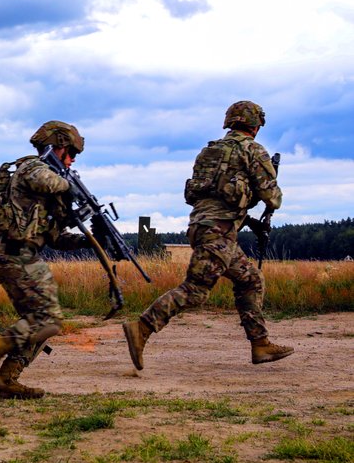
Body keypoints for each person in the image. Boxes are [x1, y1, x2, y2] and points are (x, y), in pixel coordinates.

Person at [123, 100, 293, 369]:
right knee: (196, 291)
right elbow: (272, 196)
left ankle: (260, 344)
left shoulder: (209, 152)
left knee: (250, 279)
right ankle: (142, 328)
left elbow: (207, 196)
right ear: (256, 125)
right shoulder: (253, 150)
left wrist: (248, 219)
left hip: (203, 227)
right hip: (219, 233)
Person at [0, 121, 93, 399]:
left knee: (44, 321)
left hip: (23, 254)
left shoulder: (46, 192)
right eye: (70, 153)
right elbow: (47, 180)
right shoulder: (33, 168)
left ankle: (6, 381)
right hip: (14, 253)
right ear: (58, 146)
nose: (72, 160)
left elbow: (55, 237)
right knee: (46, 318)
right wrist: (69, 185)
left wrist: (88, 241)